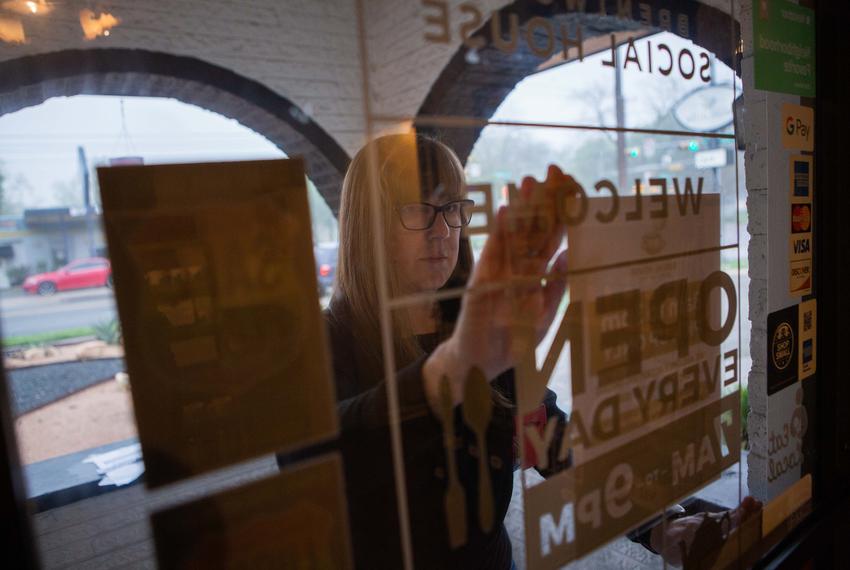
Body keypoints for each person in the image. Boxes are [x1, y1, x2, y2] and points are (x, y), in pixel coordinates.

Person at [279, 133, 759, 569]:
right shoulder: (319, 346)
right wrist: (452, 369)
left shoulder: (475, 330)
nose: (442, 231)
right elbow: (315, 468)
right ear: (368, 224)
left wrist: (664, 523)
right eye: (417, 209)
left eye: (451, 210)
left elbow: (553, 442)